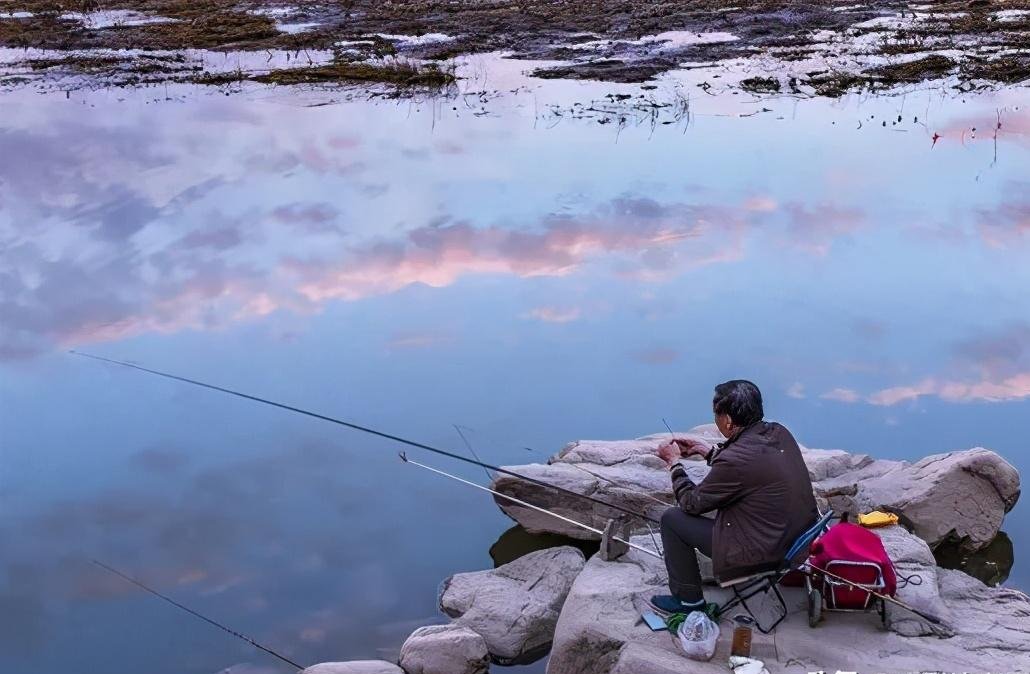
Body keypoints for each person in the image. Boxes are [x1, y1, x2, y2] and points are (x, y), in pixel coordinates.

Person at [649, 380, 818, 614]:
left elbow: (691, 503)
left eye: (716, 414)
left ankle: (688, 601)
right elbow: (750, 469)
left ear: (727, 420)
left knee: (672, 520)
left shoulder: (735, 460)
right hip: (795, 541)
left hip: (766, 552)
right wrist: (705, 450)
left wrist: (674, 464)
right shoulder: (779, 432)